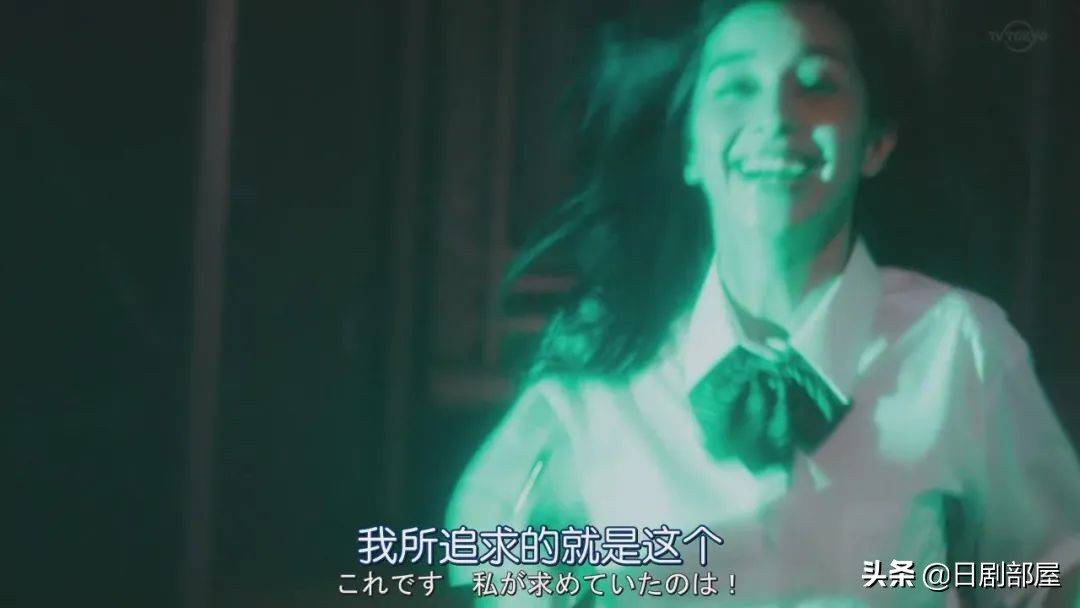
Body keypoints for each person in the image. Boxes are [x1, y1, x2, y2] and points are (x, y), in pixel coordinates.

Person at [444, 0, 1080, 605]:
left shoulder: (959, 344)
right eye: (736, 87)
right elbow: (482, 553)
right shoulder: (601, 360)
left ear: (876, 141)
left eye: (818, 84)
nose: (776, 115)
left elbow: (1050, 570)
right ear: (690, 148)